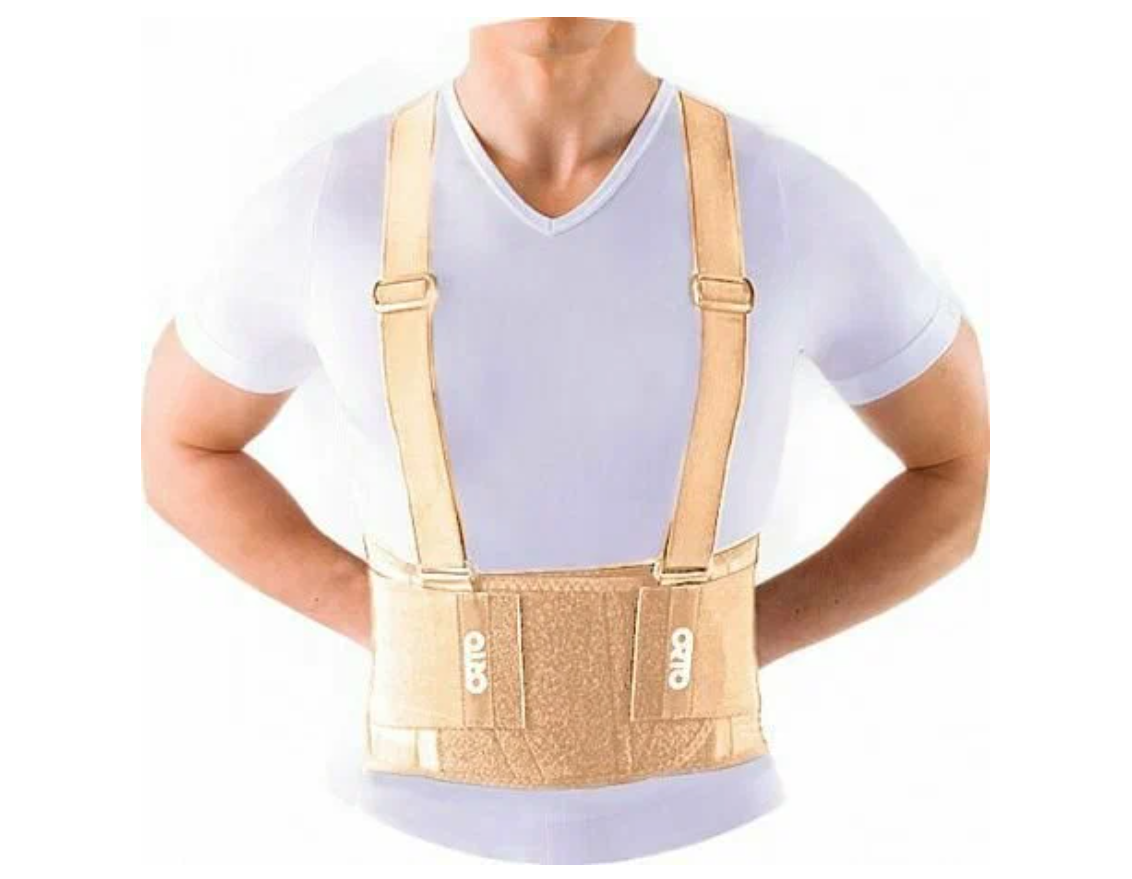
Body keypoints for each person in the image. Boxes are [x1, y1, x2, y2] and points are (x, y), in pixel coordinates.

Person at [141, 17, 989, 865]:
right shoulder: (332, 198)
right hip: (392, 840)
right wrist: (380, 617)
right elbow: (178, 446)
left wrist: (739, 638)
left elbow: (959, 467)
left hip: (725, 841)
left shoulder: (782, 197)